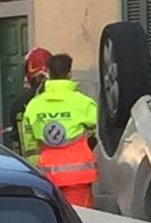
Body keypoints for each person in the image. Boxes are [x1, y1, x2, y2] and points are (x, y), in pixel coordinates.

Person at [21, 53, 98, 207]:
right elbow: (98, 134)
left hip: (46, 178)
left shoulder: (34, 106)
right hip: (78, 178)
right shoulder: (84, 103)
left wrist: (37, 168)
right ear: (70, 74)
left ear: (48, 73)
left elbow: (29, 145)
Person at [11, 47, 53, 162]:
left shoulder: (19, 104)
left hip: (33, 170)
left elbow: (17, 143)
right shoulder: (70, 99)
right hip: (68, 170)